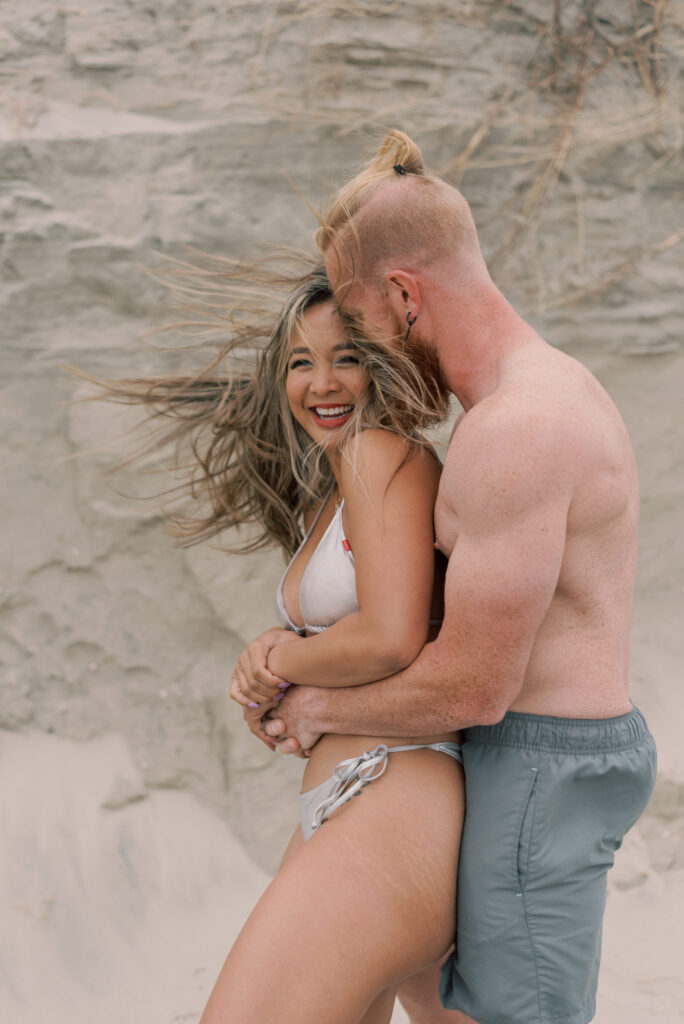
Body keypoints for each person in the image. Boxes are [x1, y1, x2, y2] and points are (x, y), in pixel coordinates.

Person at [242, 131, 658, 1024]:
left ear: (402, 294)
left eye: (359, 330)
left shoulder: (518, 430)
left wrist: (312, 705)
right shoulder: (534, 396)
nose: (360, 359)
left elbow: (474, 685)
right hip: (532, 756)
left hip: (541, 763)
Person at [84, 257, 470, 1024]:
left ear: (382, 367)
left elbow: (392, 637)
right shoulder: (340, 483)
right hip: (352, 800)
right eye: (301, 363)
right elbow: (371, 621)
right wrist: (278, 653)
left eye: (347, 359)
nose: (321, 384)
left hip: (393, 802)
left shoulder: (380, 452)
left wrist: (279, 665)